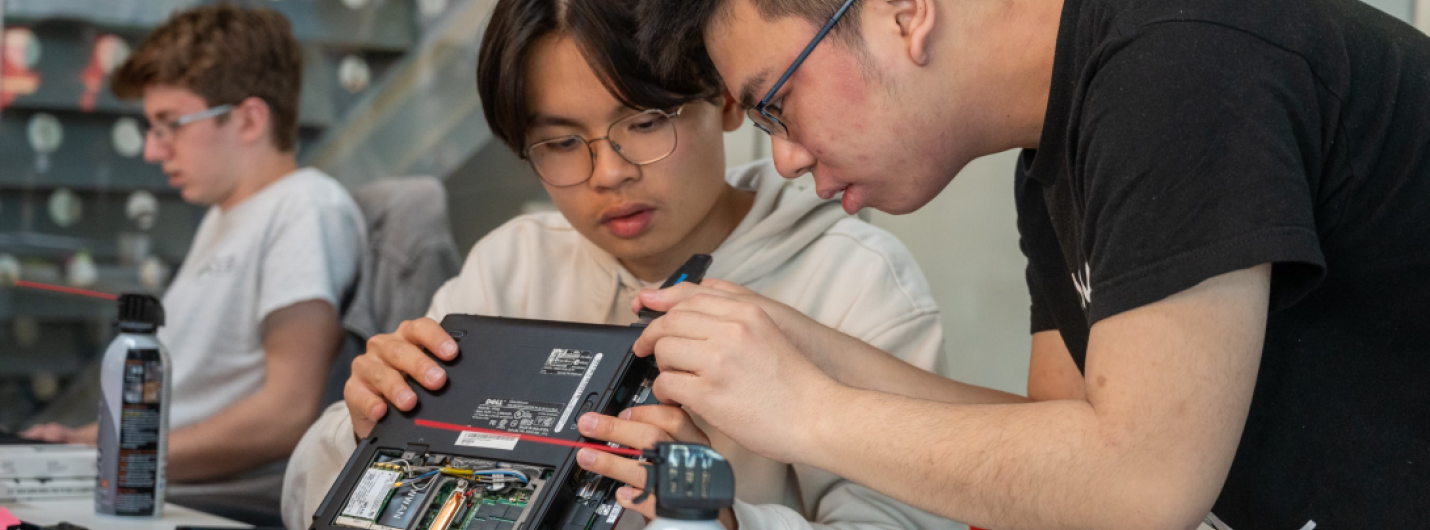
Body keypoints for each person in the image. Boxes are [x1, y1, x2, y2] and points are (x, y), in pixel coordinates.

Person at [625, 0, 1430, 528]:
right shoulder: (1054, 151)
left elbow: (1140, 487)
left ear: (904, 11)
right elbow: (1058, 458)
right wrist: (804, 348)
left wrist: (803, 411)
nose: (785, 157)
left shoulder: (1179, 65)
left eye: (775, 101)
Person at [279, 0, 980, 528]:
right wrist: (368, 424)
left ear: (727, 100)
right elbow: (303, 494)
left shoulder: (854, 281)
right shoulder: (515, 264)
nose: (607, 173)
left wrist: (714, 514)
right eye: (559, 142)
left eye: (644, 123)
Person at [23, 4, 365, 500]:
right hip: (147, 478)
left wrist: (105, 453)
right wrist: (82, 443)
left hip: (200, 498)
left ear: (248, 120)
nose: (152, 150)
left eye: (170, 124)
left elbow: (287, 413)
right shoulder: (224, 217)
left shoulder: (305, 207)